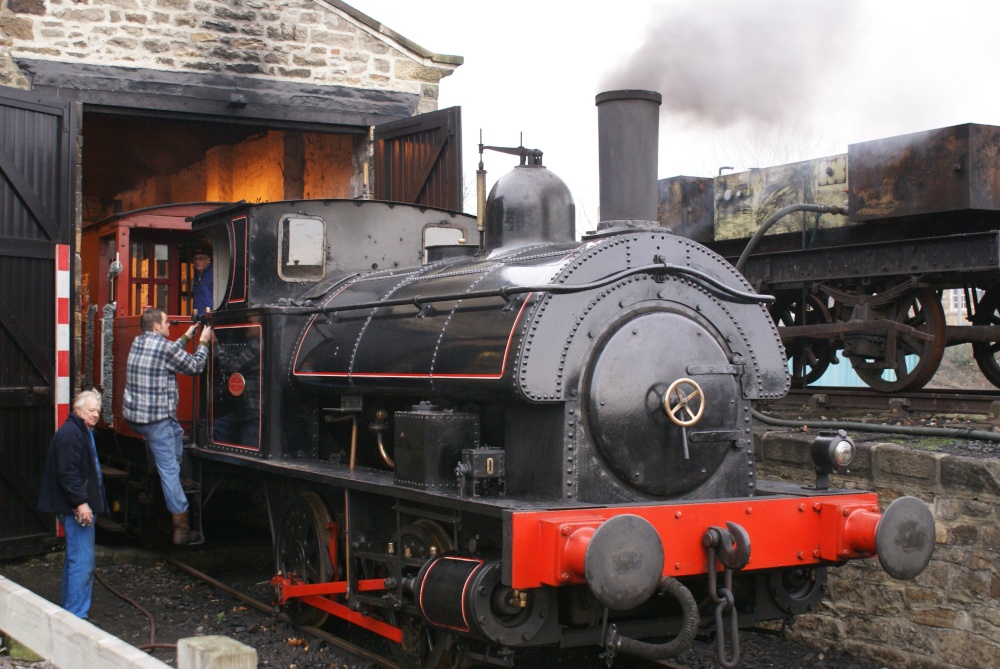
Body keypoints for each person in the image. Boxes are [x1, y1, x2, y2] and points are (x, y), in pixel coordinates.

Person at [122, 307, 212, 545]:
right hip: (155, 420)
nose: (169, 326)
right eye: (166, 322)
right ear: (156, 327)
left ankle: (176, 482)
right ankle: (181, 529)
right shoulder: (163, 348)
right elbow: (195, 367)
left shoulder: (139, 342)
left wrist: (187, 336)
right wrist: (203, 343)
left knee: (177, 435)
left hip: (136, 416)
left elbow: (170, 351)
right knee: (169, 470)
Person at [37, 389, 107, 619]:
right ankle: (77, 616)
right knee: (82, 560)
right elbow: (67, 473)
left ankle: (69, 611)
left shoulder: (80, 431)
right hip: (75, 508)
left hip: (73, 506)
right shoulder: (72, 435)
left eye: (98, 410)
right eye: (91, 410)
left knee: (75, 558)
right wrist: (81, 503)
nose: (96, 414)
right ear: (78, 410)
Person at [191, 246, 213, 316]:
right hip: (197, 314)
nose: (197, 261)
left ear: (208, 260)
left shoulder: (214, 273)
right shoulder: (196, 274)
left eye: (201, 259)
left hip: (209, 315)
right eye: (195, 259)